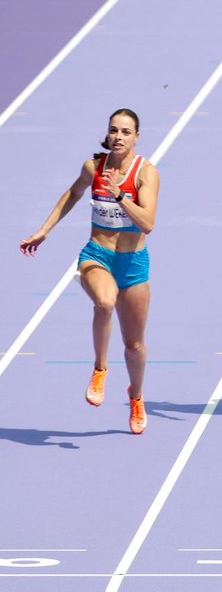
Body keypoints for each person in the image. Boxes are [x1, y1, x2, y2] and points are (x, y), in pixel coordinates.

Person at [20, 108, 159, 435]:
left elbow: (148, 223)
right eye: (114, 130)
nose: (119, 137)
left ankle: (136, 396)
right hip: (96, 255)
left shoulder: (146, 173)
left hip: (134, 263)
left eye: (126, 132)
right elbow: (73, 193)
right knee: (105, 302)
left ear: (137, 136)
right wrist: (45, 229)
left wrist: (120, 195)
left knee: (135, 345)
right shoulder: (93, 167)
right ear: (107, 134)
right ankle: (100, 368)